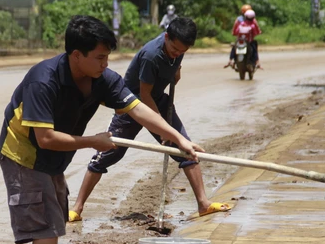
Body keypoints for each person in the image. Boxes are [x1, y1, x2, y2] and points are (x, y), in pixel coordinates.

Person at [0, 15, 204, 244]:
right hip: (25, 155)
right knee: (45, 224)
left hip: (53, 158)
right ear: (76, 55)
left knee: (54, 219)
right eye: (100, 57)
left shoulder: (102, 78)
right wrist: (92, 141)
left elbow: (138, 109)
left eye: (107, 56)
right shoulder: (44, 80)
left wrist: (178, 138)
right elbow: (45, 138)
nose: (106, 64)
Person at [68, 17, 231, 223]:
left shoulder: (177, 50)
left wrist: (176, 72)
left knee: (186, 148)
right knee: (108, 154)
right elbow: (144, 97)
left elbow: (172, 69)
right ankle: (77, 207)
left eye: (182, 52)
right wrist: (163, 129)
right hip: (131, 105)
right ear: (166, 38)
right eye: (174, 49)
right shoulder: (151, 56)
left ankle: (203, 204)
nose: (177, 54)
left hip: (159, 101)